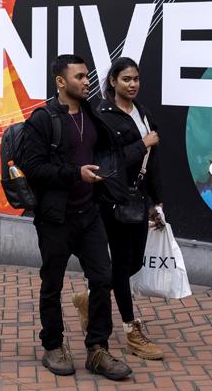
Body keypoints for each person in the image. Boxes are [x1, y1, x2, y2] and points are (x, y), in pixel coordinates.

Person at [19, 54, 132, 381]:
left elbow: (104, 151)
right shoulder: (43, 119)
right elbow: (33, 168)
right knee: (52, 283)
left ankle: (97, 348)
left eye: (87, 76)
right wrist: (74, 174)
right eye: (80, 77)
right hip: (56, 218)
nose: (87, 81)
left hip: (89, 214)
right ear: (60, 81)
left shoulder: (92, 113)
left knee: (102, 279)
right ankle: (53, 345)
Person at [74, 57, 165, 360]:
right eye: (126, 79)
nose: (133, 84)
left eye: (136, 79)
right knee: (123, 268)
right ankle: (131, 330)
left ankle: (91, 297)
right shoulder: (102, 116)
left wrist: (156, 201)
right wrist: (142, 142)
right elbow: (108, 163)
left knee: (133, 263)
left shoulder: (143, 113)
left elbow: (151, 164)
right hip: (111, 202)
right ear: (112, 81)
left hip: (138, 201)